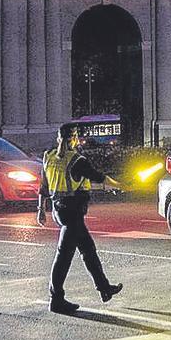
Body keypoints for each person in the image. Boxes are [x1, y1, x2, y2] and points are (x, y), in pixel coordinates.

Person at [36, 124, 124, 314]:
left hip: (59, 210)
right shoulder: (76, 160)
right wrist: (120, 184)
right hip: (73, 213)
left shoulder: (48, 156)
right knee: (63, 257)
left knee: (88, 250)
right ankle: (56, 299)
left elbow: (43, 186)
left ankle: (104, 288)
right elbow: (98, 177)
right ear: (74, 138)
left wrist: (40, 210)